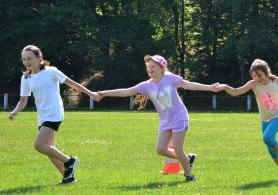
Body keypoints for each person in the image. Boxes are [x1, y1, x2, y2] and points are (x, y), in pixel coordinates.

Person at [96, 55, 220, 182]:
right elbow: (125, 91)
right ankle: (187, 159)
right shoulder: (145, 85)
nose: (150, 68)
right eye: (148, 66)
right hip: (165, 121)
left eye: (153, 66)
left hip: (179, 117)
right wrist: (104, 93)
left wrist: (210, 87)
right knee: (160, 149)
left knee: (178, 148)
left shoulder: (170, 78)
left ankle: (189, 175)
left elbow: (190, 85)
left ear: (162, 68)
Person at [8, 45, 99, 184]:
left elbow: (72, 83)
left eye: (30, 58)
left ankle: (70, 161)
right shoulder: (25, 78)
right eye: (24, 59)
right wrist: (15, 111)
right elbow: (23, 100)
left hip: (54, 113)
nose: (27, 62)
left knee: (39, 145)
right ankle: (68, 178)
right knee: (49, 149)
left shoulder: (51, 72)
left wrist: (90, 93)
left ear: (39, 58)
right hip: (42, 116)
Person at [219, 59, 278, 181]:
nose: (257, 78)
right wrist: (224, 87)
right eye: (254, 76)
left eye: (259, 75)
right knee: (270, 149)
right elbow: (235, 92)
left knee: (267, 138)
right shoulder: (253, 84)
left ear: (266, 72)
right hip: (265, 119)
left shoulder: (274, 80)